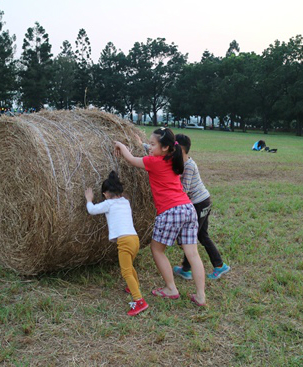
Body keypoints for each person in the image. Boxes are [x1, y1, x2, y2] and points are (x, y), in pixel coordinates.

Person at [114, 128, 206, 307]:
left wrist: (121, 145)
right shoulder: (174, 159)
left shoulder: (154, 162)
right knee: (193, 254)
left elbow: (131, 160)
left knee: (157, 250)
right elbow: (153, 149)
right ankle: (201, 296)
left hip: (170, 211)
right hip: (188, 209)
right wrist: (143, 144)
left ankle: (171, 289)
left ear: (164, 147)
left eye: (153, 144)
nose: (150, 147)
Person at [85, 171, 149, 316]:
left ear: (106, 193)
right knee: (129, 267)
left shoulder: (108, 203)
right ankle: (134, 286)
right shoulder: (125, 202)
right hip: (134, 239)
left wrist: (89, 199)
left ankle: (139, 301)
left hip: (124, 241)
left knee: (126, 271)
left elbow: (92, 210)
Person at [172, 134, 230, 280]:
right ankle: (213, 265)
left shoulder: (189, 166)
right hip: (200, 202)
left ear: (180, 150)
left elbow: (184, 189)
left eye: (173, 149)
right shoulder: (182, 162)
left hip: (200, 203)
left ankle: (195, 268)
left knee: (191, 237)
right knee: (200, 235)